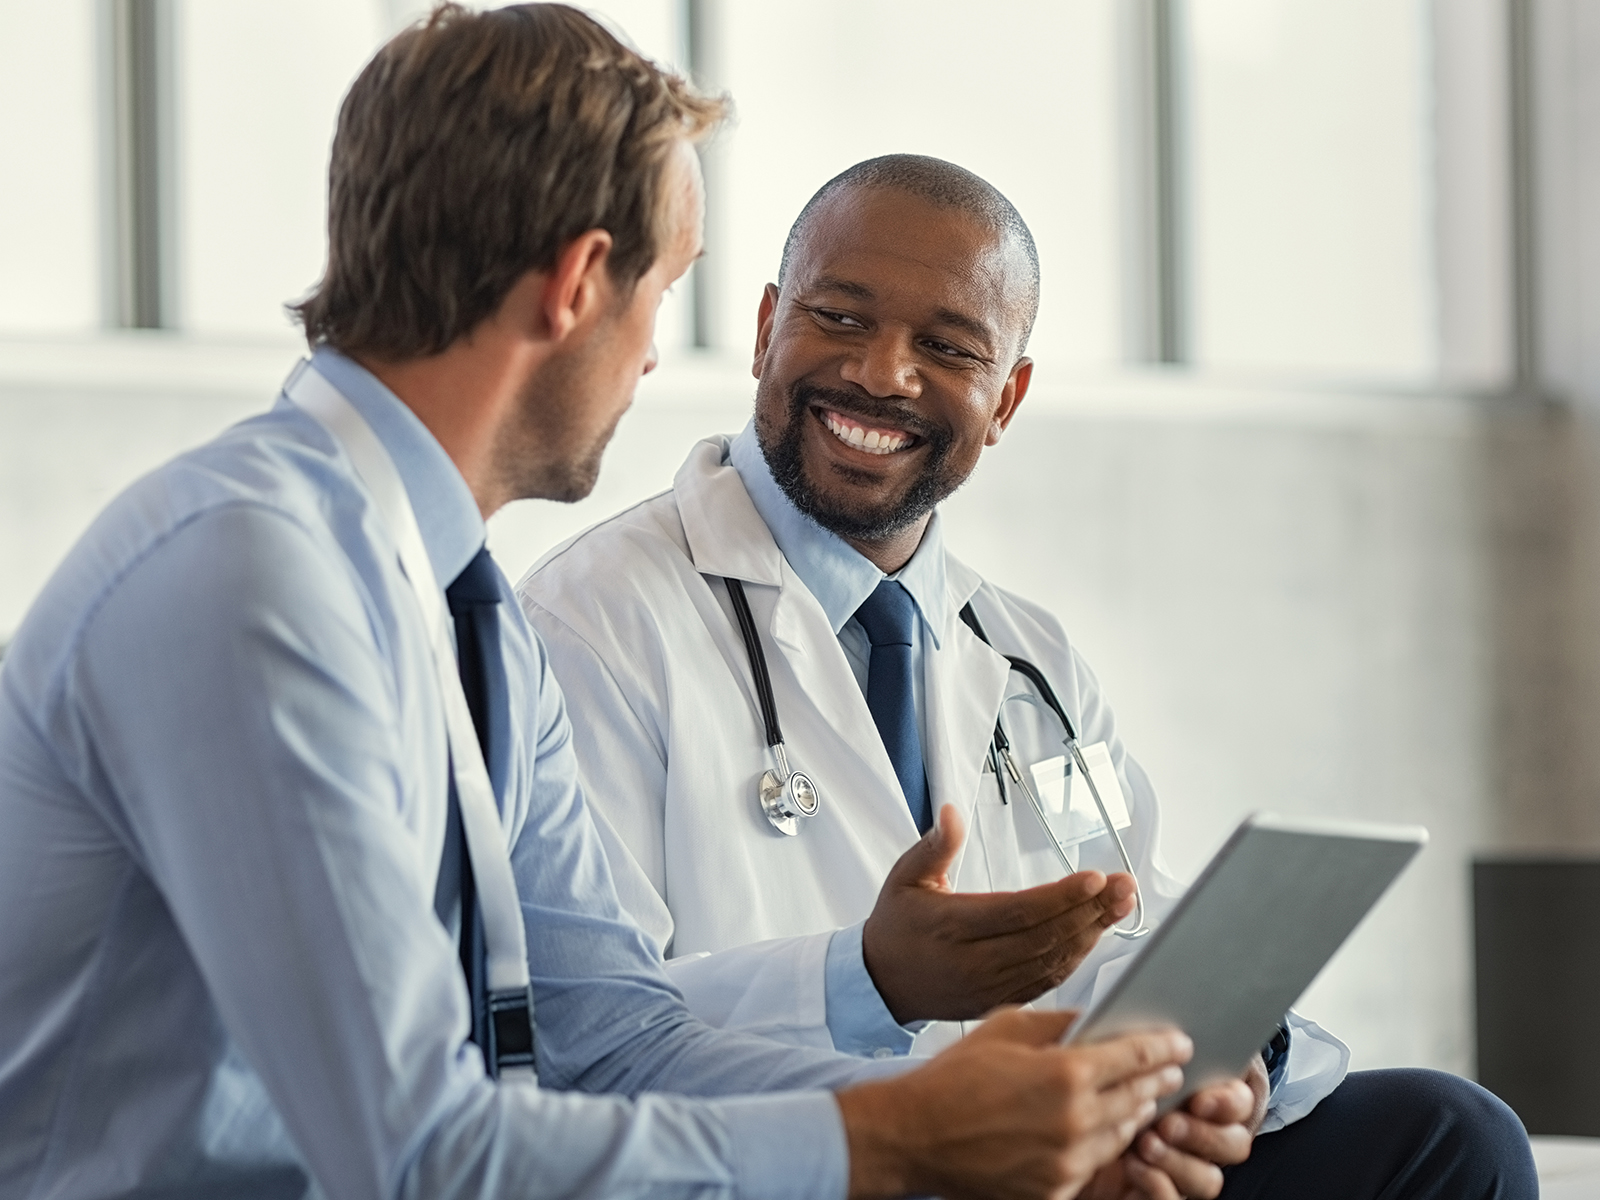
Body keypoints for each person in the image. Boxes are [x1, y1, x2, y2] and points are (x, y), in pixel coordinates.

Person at [0, 10, 1207, 1200]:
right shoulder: (252, 584)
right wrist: (898, 1146)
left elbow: (607, 1043)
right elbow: (420, 1157)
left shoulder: (466, 619)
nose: (649, 362)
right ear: (580, 282)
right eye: (664, 292)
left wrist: (978, 1108)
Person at [516, 154, 1540, 1199]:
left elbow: (1124, 926)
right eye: (841, 318)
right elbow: (583, 1039)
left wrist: (1230, 1065)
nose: (880, 374)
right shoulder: (592, 623)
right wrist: (867, 981)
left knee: (1447, 1136)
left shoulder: (1025, 663)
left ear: (1004, 398)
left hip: (1047, 1159)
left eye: (946, 347)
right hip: (815, 1166)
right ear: (767, 326)